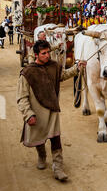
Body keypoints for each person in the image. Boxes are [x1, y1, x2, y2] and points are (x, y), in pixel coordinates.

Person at [17, 40, 87, 182]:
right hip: (37, 111)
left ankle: (58, 167)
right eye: (44, 53)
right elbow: (22, 98)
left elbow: (62, 76)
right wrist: (28, 114)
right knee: (39, 138)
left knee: (56, 138)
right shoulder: (27, 73)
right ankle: (42, 156)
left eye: (48, 52)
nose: (47, 55)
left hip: (52, 109)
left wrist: (77, 68)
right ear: (36, 55)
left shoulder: (54, 66)